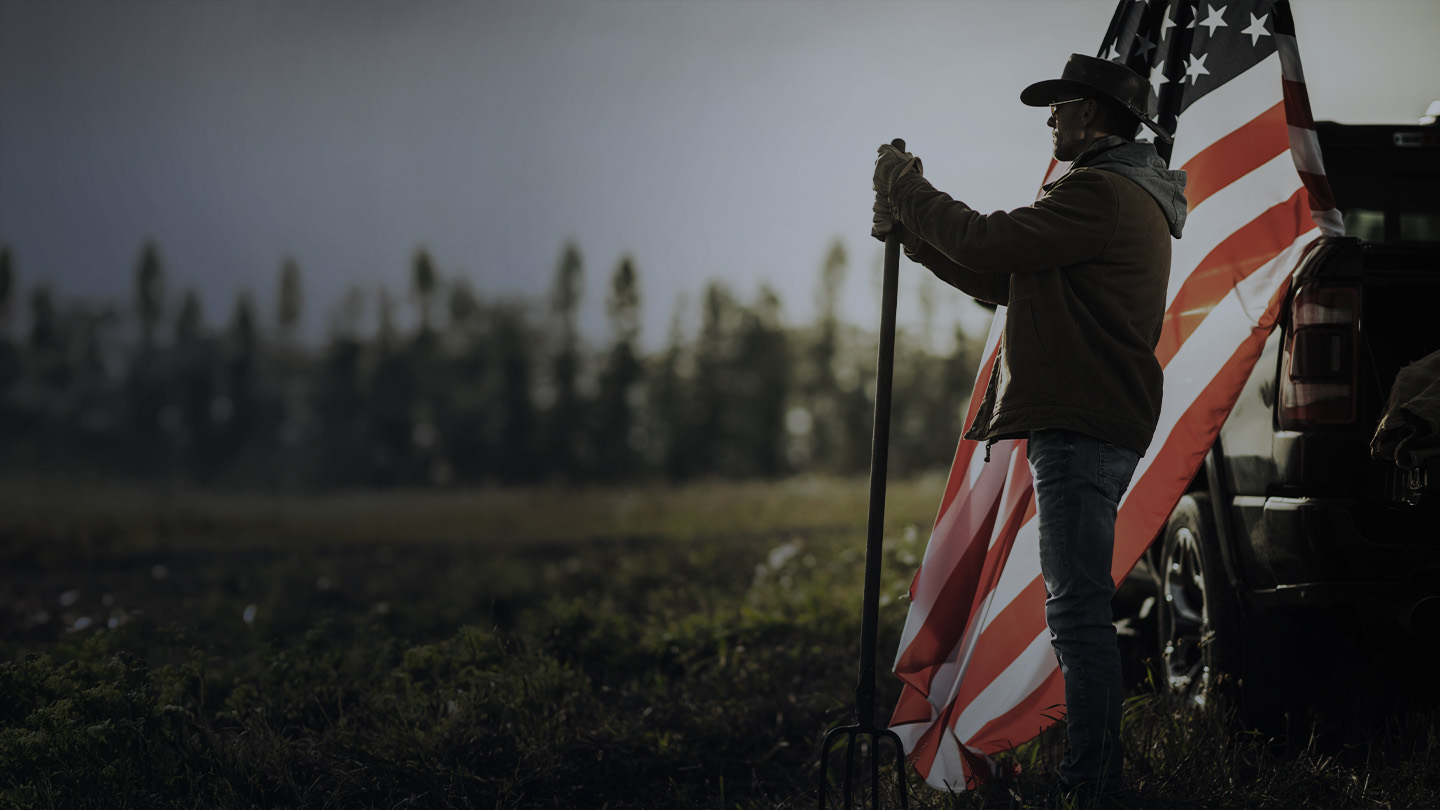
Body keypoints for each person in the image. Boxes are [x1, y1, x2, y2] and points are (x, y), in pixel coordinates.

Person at [871, 54, 1188, 804]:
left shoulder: (1101, 193)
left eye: (1060, 104)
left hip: (1082, 424)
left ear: (1094, 114)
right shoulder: (1109, 194)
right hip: (1086, 422)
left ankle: (1093, 784)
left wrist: (907, 188)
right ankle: (1092, 776)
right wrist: (913, 234)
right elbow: (1002, 278)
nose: (1049, 119)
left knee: (1077, 611)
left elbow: (989, 243)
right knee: (1076, 606)